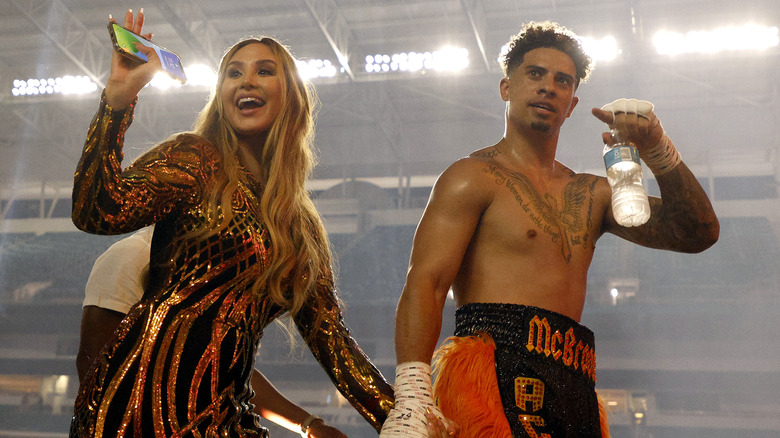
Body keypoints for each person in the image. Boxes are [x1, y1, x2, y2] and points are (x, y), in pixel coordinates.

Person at [380, 21, 719, 438]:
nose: (548, 87)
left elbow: (697, 232)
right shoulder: (472, 176)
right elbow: (426, 282)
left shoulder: (592, 192)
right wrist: (412, 393)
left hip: (574, 382)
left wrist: (657, 148)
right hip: (489, 373)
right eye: (535, 74)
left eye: (562, 80)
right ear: (507, 87)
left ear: (572, 104)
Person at [70, 9, 396, 436]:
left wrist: (409, 420)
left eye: (265, 71)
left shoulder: (299, 228)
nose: (247, 81)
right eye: (233, 73)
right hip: (138, 409)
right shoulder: (194, 159)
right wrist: (116, 102)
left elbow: (333, 343)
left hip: (226, 416)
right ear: (222, 95)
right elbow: (97, 211)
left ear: (291, 97)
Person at [76, 226, 347, 437]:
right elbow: (93, 361)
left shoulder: (215, 266)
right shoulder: (132, 255)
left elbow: (227, 373)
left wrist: (309, 424)